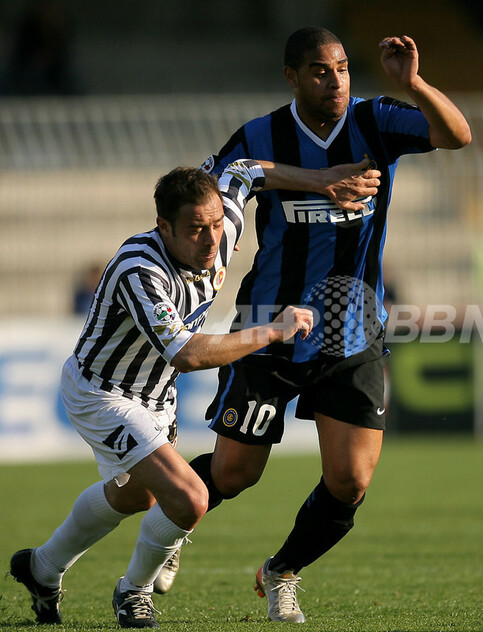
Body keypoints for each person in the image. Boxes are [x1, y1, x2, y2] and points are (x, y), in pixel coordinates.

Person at [9, 158, 380, 628]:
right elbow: (186, 354)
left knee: (136, 498)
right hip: (103, 393)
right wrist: (273, 331)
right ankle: (133, 594)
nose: (211, 240)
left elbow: (246, 170)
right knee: (189, 498)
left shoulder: (219, 222)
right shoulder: (138, 268)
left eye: (215, 224)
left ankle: (41, 568)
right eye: (194, 230)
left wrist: (323, 181)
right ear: (164, 226)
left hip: (156, 393)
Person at [186, 27, 471, 623]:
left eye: (342, 67)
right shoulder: (262, 134)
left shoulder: (377, 121)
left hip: (353, 331)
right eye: (320, 70)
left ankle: (282, 570)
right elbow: (220, 186)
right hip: (271, 326)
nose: (335, 80)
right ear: (292, 77)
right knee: (235, 473)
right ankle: (168, 533)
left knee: (350, 481)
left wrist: (413, 83)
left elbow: (457, 136)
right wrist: (314, 180)